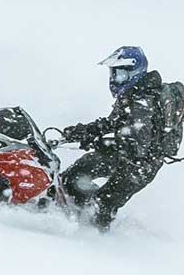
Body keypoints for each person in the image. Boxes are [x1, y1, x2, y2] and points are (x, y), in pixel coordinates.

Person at [55, 44, 176, 230]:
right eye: (114, 73)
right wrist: (86, 131)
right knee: (72, 176)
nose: (115, 79)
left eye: (120, 74)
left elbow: (138, 147)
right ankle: (73, 213)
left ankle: (96, 242)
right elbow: (114, 122)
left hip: (139, 166)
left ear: (134, 72)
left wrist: (100, 142)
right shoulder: (133, 94)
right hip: (122, 156)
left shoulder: (142, 103)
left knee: (103, 205)